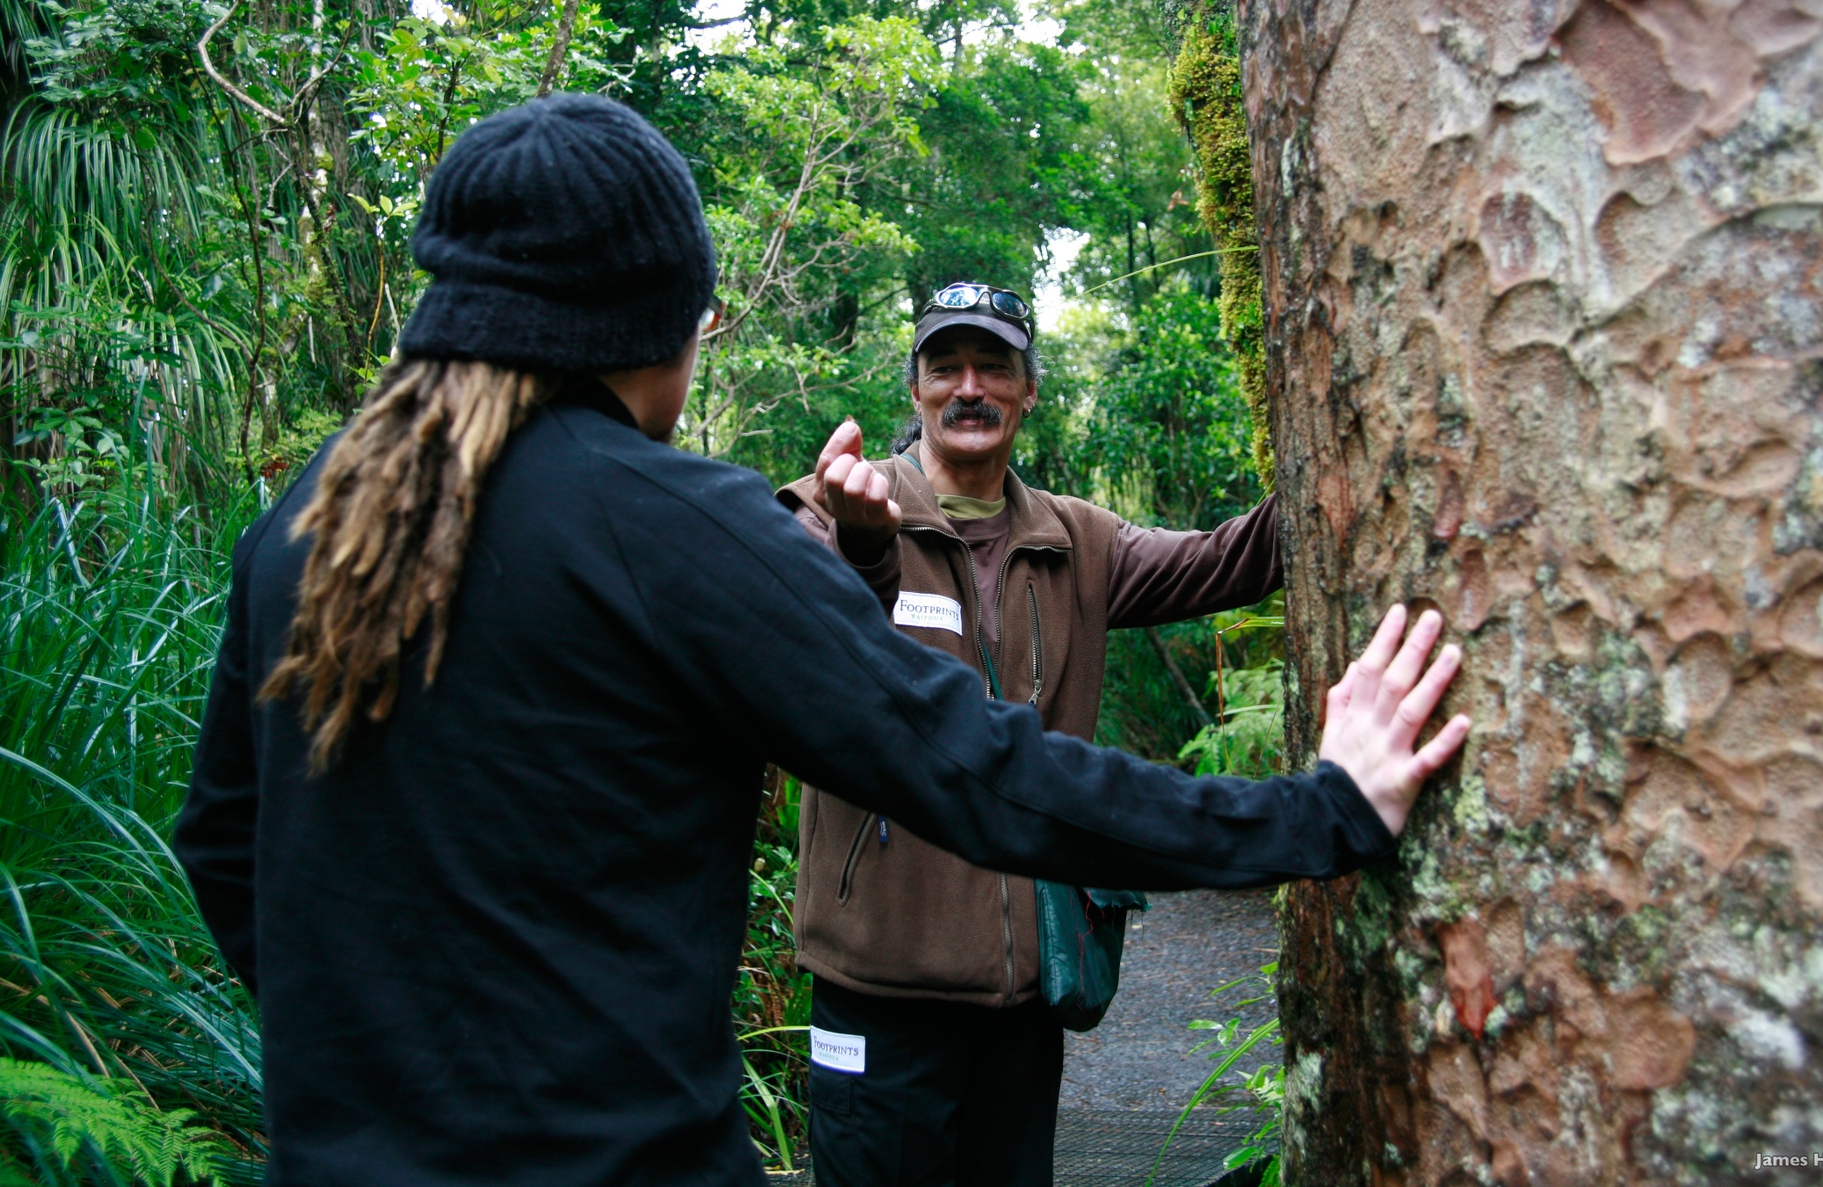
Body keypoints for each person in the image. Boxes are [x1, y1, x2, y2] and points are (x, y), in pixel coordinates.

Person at [172, 94, 1470, 1187]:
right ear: (659, 323)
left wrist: (376, 1073)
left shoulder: (315, 516)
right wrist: (1324, 812)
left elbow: (226, 843)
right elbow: (976, 768)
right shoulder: (672, 525)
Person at [775, 283, 1360, 1186]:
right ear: (918, 389)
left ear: (1027, 391)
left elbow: (1229, 560)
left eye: (994, 367)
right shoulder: (838, 506)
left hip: (1023, 997)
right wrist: (866, 551)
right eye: (946, 367)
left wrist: (1349, 454)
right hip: (877, 990)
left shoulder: (1079, 541)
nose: (970, 387)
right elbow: (800, 634)